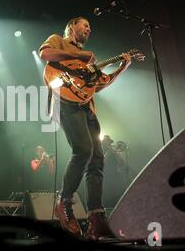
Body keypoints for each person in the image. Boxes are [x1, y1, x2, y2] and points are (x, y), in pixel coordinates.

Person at [39, 17, 132, 239]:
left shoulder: (88, 61)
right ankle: (65, 203)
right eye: (85, 25)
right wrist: (79, 55)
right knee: (83, 150)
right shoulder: (58, 40)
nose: (89, 29)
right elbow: (45, 55)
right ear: (72, 26)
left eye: (90, 27)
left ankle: (96, 217)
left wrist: (122, 67)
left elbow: (99, 83)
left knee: (97, 159)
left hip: (87, 108)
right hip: (65, 103)